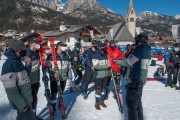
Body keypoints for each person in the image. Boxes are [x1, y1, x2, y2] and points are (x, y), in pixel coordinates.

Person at [115, 34, 151, 120]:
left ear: (139, 41)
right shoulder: (146, 50)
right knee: (138, 104)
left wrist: (115, 61)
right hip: (140, 81)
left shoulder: (140, 50)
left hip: (135, 81)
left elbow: (128, 62)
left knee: (131, 104)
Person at [1, 39, 37, 120]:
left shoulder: (17, 62)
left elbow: (25, 77)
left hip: (25, 99)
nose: (25, 52)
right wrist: (21, 105)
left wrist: (28, 64)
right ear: (16, 50)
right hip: (22, 102)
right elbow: (11, 90)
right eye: (23, 50)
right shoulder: (8, 65)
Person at [46, 41, 72, 114]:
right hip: (54, 78)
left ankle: (61, 105)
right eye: (62, 45)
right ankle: (53, 108)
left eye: (64, 46)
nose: (64, 47)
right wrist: (53, 74)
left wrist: (70, 76)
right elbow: (48, 68)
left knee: (61, 92)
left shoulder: (66, 56)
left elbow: (69, 67)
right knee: (54, 93)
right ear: (58, 47)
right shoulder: (51, 56)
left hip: (63, 78)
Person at [25, 37, 43, 120]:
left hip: (36, 80)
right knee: (31, 100)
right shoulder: (26, 54)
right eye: (36, 43)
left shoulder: (36, 53)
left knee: (35, 99)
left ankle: (33, 115)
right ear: (31, 43)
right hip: (29, 81)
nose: (38, 44)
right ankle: (31, 117)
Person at [92, 41, 110, 110]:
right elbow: (96, 66)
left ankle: (101, 101)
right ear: (99, 48)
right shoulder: (95, 55)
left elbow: (109, 64)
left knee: (103, 89)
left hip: (105, 75)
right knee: (98, 89)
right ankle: (97, 103)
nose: (103, 48)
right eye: (102, 47)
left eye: (104, 47)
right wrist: (106, 66)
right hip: (98, 75)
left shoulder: (106, 55)